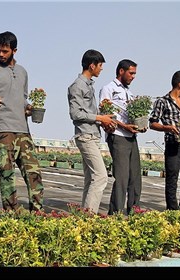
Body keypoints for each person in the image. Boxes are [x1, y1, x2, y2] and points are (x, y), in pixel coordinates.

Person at [0, 31, 44, 212]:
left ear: (15, 50)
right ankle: (12, 217)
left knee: (34, 173)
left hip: (23, 130)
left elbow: (22, 99)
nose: (1, 54)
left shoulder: (22, 72)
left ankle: (37, 214)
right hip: (3, 130)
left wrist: (28, 109)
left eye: (5, 51)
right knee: (6, 175)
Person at [67, 49, 116, 214]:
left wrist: (103, 120)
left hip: (93, 135)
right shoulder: (77, 86)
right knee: (101, 176)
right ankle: (89, 217)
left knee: (90, 179)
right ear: (92, 65)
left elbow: (88, 114)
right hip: (85, 136)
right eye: (100, 65)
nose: (101, 69)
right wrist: (100, 118)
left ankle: (83, 217)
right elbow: (75, 114)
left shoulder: (88, 85)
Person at [99, 59, 145, 215]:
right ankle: (116, 214)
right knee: (122, 178)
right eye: (131, 73)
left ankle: (134, 213)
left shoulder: (129, 92)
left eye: (135, 74)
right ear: (121, 71)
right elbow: (105, 115)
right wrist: (124, 126)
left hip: (131, 137)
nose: (133, 76)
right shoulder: (108, 89)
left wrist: (140, 125)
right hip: (118, 136)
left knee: (135, 179)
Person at [149, 70, 180, 210]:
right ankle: (172, 211)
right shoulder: (162, 102)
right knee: (172, 180)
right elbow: (152, 123)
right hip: (173, 146)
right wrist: (167, 128)